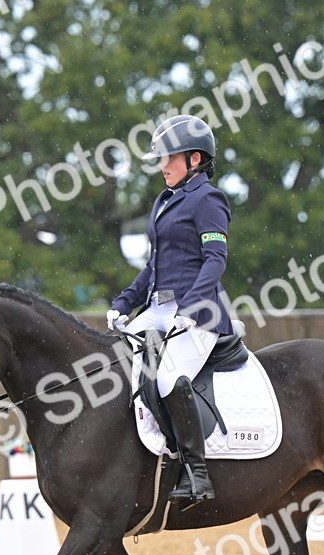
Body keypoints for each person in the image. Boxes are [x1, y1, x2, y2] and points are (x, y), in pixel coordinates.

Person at [107, 114, 234, 510]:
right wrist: (124, 303)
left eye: (169, 158)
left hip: (201, 311)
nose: (163, 166)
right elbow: (153, 266)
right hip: (159, 308)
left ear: (195, 159)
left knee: (167, 379)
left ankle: (196, 472)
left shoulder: (208, 199)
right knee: (111, 362)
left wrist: (193, 308)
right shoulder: (165, 201)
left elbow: (215, 260)